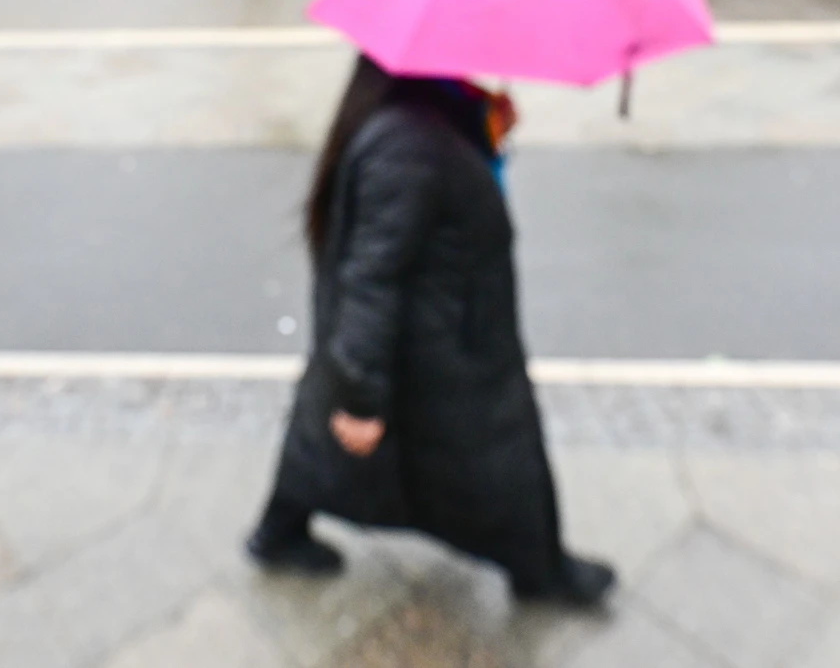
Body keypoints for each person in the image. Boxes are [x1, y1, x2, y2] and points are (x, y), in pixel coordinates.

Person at [246, 54, 616, 607]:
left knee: (324, 436)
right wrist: (360, 396)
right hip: (443, 343)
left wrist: (484, 132)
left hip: (440, 324)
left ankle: (279, 529)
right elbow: (372, 281)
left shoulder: (419, 112)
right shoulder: (409, 147)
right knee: (501, 456)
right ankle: (541, 570)